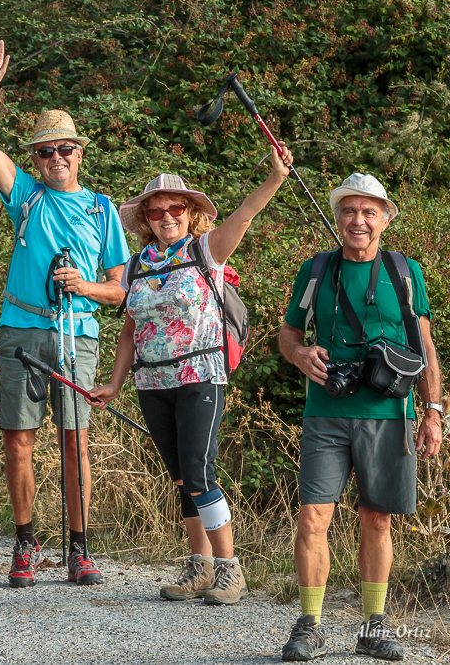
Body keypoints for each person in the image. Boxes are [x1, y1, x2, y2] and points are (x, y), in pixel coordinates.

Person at [87, 143, 294, 606]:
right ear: (144, 219)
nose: (165, 216)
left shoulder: (205, 250)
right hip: (151, 381)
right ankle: (198, 567)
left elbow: (243, 215)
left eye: (174, 208)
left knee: (199, 471)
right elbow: (130, 328)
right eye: (155, 211)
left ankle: (229, 570)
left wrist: (276, 178)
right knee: (182, 476)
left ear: (191, 211)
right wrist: (114, 383)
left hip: (201, 373)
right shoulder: (140, 264)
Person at [0, 37, 131, 588]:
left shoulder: (101, 208)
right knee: (19, 439)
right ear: (35, 160)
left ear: (80, 154)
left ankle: (79, 547)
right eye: (45, 152)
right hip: (22, 328)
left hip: (77, 334)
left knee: (74, 439)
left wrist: (82, 285)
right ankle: (25, 542)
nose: (56, 159)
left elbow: (121, 290)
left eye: (65, 149)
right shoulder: (26, 196)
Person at [276, 173, 442, 661]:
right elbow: (288, 333)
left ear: (385, 219)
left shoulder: (404, 272)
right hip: (325, 411)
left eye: (369, 212)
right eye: (349, 211)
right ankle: (309, 624)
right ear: (337, 218)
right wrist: (300, 354)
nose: (359, 220)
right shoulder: (317, 270)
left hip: (390, 412)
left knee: (377, 520)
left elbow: (425, 346)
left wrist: (433, 412)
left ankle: (374, 625)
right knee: (312, 518)